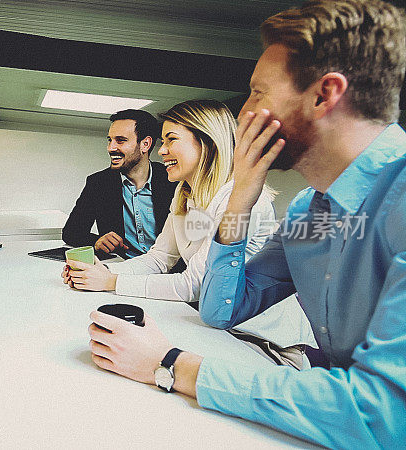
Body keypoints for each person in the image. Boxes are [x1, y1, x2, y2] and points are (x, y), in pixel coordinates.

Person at [86, 0, 406, 447]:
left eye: (258, 93)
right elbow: (222, 310)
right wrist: (238, 201)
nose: (242, 116)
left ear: (323, 95)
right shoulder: (308, 218)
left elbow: (384, 416)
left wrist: (172, 364)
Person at [64, 100, 313, 366]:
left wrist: (111, 283)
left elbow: (193, 285)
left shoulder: (239, 199)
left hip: (263, 343)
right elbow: (159, 258)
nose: (162, 152)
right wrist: (101, 273)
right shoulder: (186, 195)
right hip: (218, 330)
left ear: (206, 142)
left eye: (171, 140)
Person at [62, 109, 178, 257]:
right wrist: (97, 241)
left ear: (145, 144)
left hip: (169, 273)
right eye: (110, 140)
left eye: (120, 140)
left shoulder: (173, 181)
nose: (111, 148)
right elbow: (71, 232)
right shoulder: (98, 183)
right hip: (122, 268)